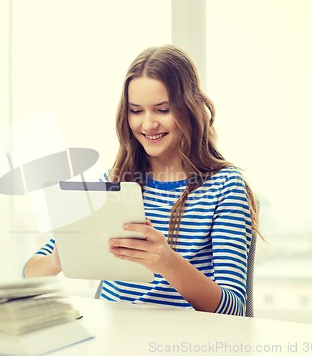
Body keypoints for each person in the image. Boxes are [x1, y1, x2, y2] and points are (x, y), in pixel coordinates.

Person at [23, 44, 260, 316]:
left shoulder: (225, 187)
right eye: (136, 111)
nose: (148, 125)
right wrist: (56, 261)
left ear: (189, 109)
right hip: (114, 339)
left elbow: (234, 310)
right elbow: (29, 272)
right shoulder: (114, 182)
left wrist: (167, 261)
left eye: (162, 110)